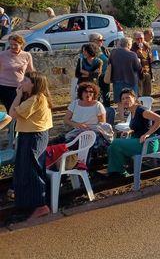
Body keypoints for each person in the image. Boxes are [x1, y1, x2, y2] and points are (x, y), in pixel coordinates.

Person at [9, 71, 53, 220]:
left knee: (31, 169)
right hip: (33, 135)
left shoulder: (34, 99)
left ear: (34, 84)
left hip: (32, 137)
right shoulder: (39, 98)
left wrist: (18, 95)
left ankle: (41, 206)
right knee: (27, 168)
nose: (22, 82)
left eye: (26, 80)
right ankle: (29, 202)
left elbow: (12, 113)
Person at [107, 89, 160, 177]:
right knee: (110, 148)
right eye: (123, 99)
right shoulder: (132, 111)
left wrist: (147, 134)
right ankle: (115, 172)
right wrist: (129, 131)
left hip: (148, 143)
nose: (125, 100)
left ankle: (120, 172)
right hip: (138, 140)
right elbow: (141, 126)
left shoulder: (141, 110)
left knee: (116, 143)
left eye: (128, 97)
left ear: (134, 98)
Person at [62, 82, 112, 157]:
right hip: (76, 131)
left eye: (91, 92)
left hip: (93, 133)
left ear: (94, 93)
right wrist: (76, 124)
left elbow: (102, 125)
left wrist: (90, 129)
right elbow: (66, 120)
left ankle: (84, 163)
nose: (88, 94)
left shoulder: (98, 105)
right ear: (81, 93)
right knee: (62, 143)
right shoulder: (75, 104)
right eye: (85, 91)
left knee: (88, 145)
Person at [0, 34, 34, 112]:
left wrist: (35, 83)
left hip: (19, 87)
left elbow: (30, 71)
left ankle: (16, 124)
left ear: (21, 44)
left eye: (15, 44)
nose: (12, 47)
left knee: (19, 109)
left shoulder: (27, 55)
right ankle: (12, 124)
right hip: (4, 87)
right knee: (12, 109)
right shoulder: (2, 55)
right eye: (11, 44)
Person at [109, 37, 141, 104]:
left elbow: (109, 64)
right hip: (131, 81)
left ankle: (121, 114)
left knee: (120, 102)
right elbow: (138, 68)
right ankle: (132, 114)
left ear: (120, 44)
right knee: (132, 101)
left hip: (117, 80)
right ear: (129, 45)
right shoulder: (132, 54)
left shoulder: (113, 52)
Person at [89, 33, 111, 107]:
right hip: (94, 77)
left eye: (102, 40)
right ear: (93, 41)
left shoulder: (103, 49)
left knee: (106, 94)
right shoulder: (87, 50)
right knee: (95, 94)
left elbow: (108, 60)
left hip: (104, 75)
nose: (102, 42)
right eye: (100, 40)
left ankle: (107, 109)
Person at [131, 32, 153, 97]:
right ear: (135, 39)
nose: (140, 40)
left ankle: (147, 106)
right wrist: (136, 55)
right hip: (138, 74)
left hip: (147, 72)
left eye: (141, 38)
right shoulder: (132, 48)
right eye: (138, 39)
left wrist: (152, 59)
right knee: (139, 94)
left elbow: (149, 59)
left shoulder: (147, 46)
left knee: (148, 93)